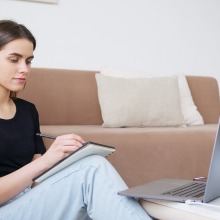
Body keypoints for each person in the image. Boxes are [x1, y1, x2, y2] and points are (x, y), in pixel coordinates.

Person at [0, 20, 151, 220]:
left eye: (28, 61)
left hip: (29, 201)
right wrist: (47, 160)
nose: (25, 69)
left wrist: (67, 162)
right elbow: (40, 165)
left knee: (90, 167)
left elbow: (37, 181)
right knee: (92, 169)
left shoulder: (28, 111)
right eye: (14, 59)